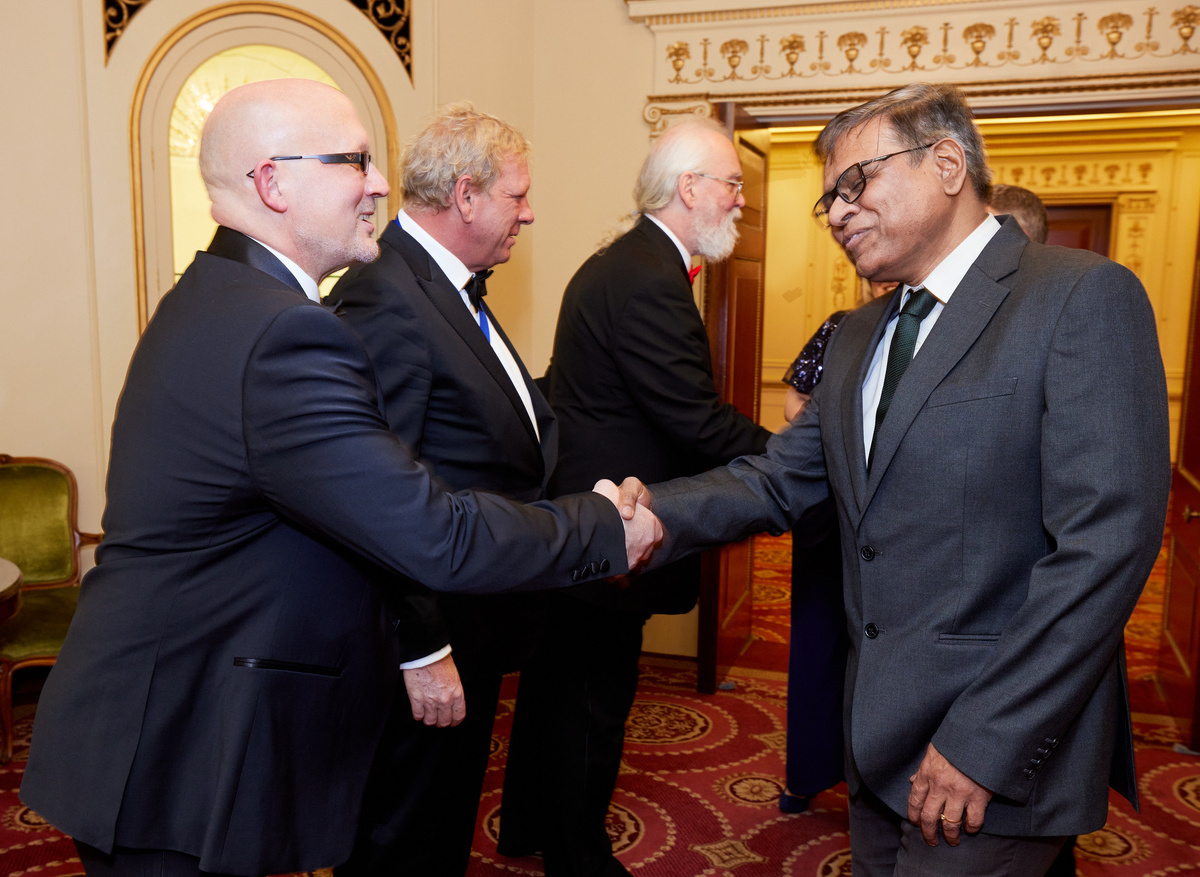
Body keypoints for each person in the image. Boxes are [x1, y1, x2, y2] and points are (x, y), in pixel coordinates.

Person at [18, 79, 661, 877]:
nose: (382, 183)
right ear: (273, 182)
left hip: (163, 723)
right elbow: (433, 530)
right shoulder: (284, 333)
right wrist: (601, 526)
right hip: (175, 746)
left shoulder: (221, 296)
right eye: (355, 160)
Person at [616, 83, 1170, 875]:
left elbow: (1104, 549)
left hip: (995, 750)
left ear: (947, 162)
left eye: (855, 183)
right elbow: (778, 478)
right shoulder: (860, 332)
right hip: (875, 736)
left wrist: (983, 742)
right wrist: (651, 518)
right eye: (828, 200)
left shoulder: (1078, 297)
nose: (837, 212)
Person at [498, 116, 772, 877]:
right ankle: (577, 855)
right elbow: (694, 419)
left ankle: (525, 822)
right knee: (591, 697)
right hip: (607, 527)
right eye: (732, 184)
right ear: (690, 188)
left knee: (555, 685)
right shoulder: (648, 276)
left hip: (580, 516)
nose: (741, 202)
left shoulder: (624, 261)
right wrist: (798, 462)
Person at [327, 103, 546, 876]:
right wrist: (424, 646)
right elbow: (372, 491)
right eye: (518, 195)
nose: (530, 211)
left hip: (473, 617)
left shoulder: (449, 288)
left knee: (441, 824)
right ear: (466, 194)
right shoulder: (385, 294)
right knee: (401, 837)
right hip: (425, 637)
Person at [777, 277, 895, 815]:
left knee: (880, 651)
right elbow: (792, 406)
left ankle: (875, 775)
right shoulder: (842, 329)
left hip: (897, 520)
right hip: (829, 505)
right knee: (820, 640)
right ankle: (809, 771)